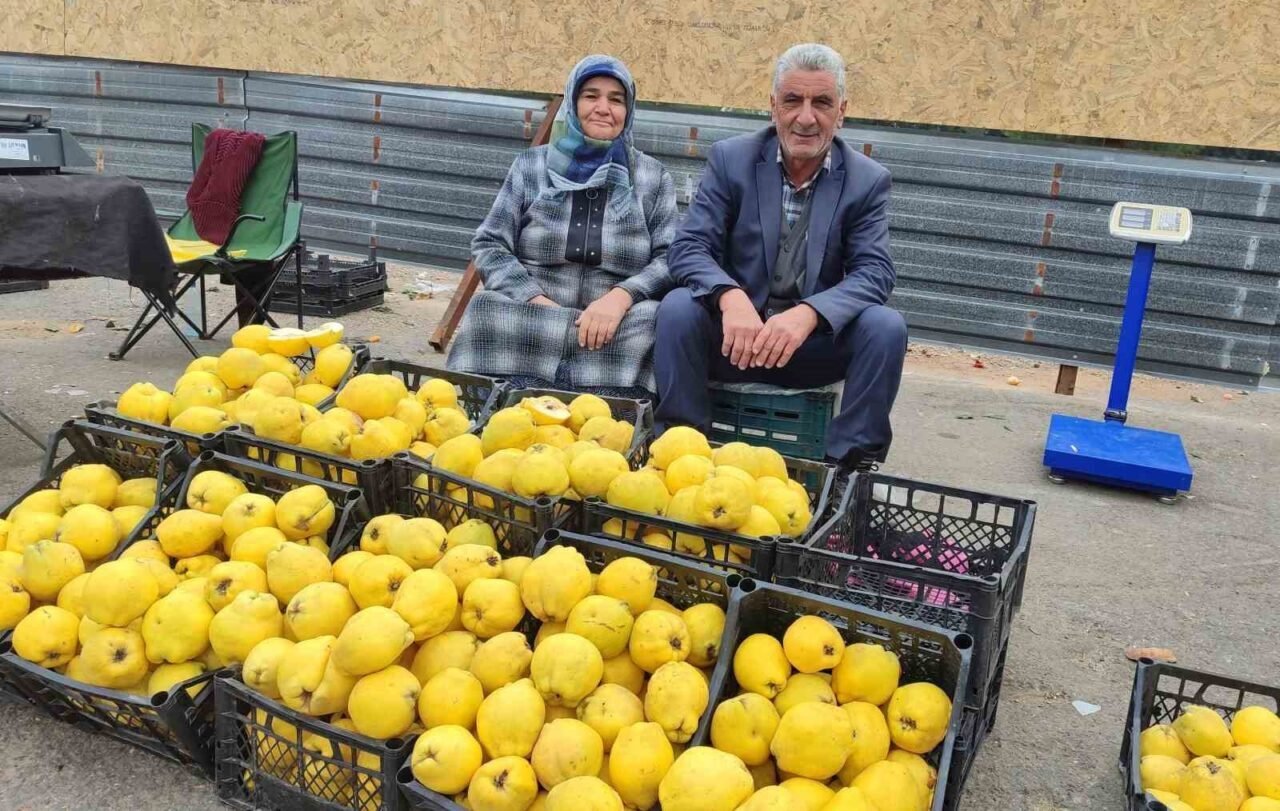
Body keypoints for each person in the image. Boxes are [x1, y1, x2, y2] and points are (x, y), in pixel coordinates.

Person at [653, 43, 907, 472]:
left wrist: (810, 313)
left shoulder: (867, 181)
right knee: (678, 308)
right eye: (792, 100)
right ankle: (682, 454)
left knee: (885, 327)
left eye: (821, 103)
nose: (805, 118)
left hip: (809, 350)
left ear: (841, 112)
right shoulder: (731, 160)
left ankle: (846, 473)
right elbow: (689, 247)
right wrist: (730, 298)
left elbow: (875, 271)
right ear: (773, 107)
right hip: (735, 343)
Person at [448, 55, 679, 395]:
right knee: (486, 307)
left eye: (616, 100)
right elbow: (490, 244)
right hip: (533, 316)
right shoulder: (531, 166)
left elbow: (670, 257)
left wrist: (621, 298)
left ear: (629, 111)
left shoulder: (653, 177)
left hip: (615, 325)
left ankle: (614, 408)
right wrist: (533, 299)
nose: (603, 108)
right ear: (572, 102)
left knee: (654, 320)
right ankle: (499, 403)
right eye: (591, 96)